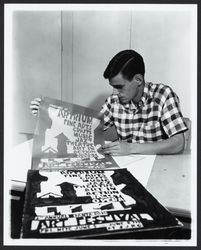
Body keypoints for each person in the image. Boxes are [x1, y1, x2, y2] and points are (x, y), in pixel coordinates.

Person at [30, 49, 188, 156]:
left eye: (119, 87)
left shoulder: (163, 95)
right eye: (113, 87)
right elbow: (84, 129)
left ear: (138, 80)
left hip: (159, 169)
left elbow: (178, 143)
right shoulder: (114, 101)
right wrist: (47, 113)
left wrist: (131, 147)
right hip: (129, 167)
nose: (114, 93)